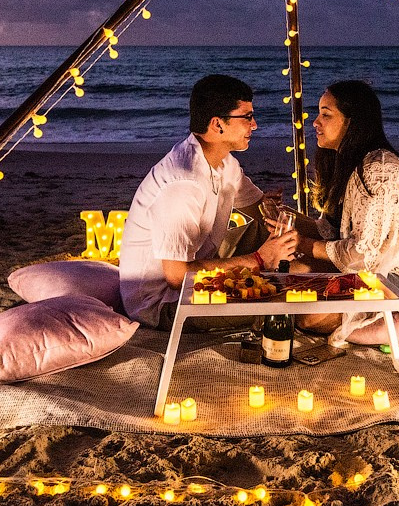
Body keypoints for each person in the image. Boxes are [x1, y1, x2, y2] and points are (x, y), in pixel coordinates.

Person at [117, 74, 297, 328]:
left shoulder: (225, 163)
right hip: (163, 303)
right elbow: (177, 276)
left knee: (270, 232)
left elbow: (261, 211)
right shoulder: (183, 182)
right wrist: (259, 259)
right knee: (281, 305)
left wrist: (314, 238)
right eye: (247, 117)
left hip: (198, 266)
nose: (255, 125)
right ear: (217, 124)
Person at [296, 79, 399, 303]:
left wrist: (301, 244)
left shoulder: (379, 169)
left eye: (326, 115)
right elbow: (328, 232)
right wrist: (281, 218)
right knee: (296, 272)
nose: (315, 122)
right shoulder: (349, 164)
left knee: (309, 313)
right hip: (376, 271)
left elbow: (366, 255)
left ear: (352, 122)